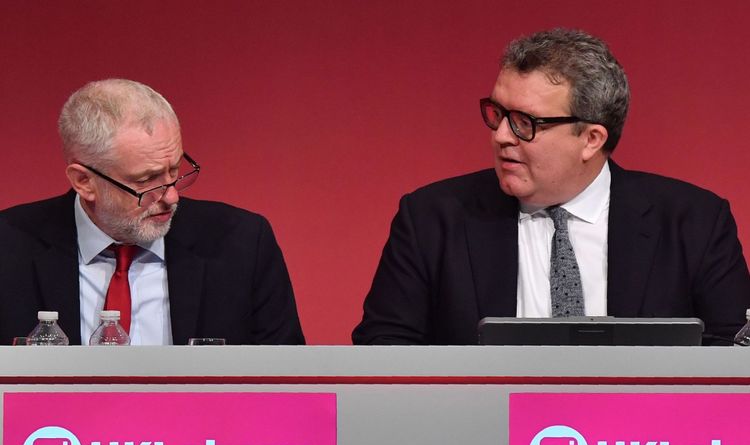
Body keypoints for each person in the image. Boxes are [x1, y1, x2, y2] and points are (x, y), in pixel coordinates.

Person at [353, 28, 750, 345]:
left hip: (642, 442)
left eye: (526, 122)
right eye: (498, 114)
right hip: (479, 438)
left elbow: (732, 354)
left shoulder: (695, 223)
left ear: (591, 139)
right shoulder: (432, 219)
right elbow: (384, 348)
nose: (502, 136)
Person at [0, 78, 304, 345]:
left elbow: (287, 387)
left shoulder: (243, 243)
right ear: (84, 182)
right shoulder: (8, 248)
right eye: (146, 181)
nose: (170, 196)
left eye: (174, 171)